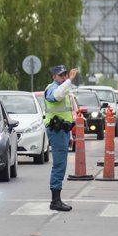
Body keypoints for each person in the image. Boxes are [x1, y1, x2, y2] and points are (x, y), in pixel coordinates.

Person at [44, 65, 78, 212]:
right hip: (56, 130)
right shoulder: (52, 89)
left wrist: (69, 134)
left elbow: (67, 113)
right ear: (54, 77)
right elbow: (56, 96)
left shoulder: (64, 89)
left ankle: (56, 199)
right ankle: (55, 201)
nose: (63, 77)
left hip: (63, 131)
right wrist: (70, 80)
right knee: (59, 165)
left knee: (61, 165)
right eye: (61, 75)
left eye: (65, 74)